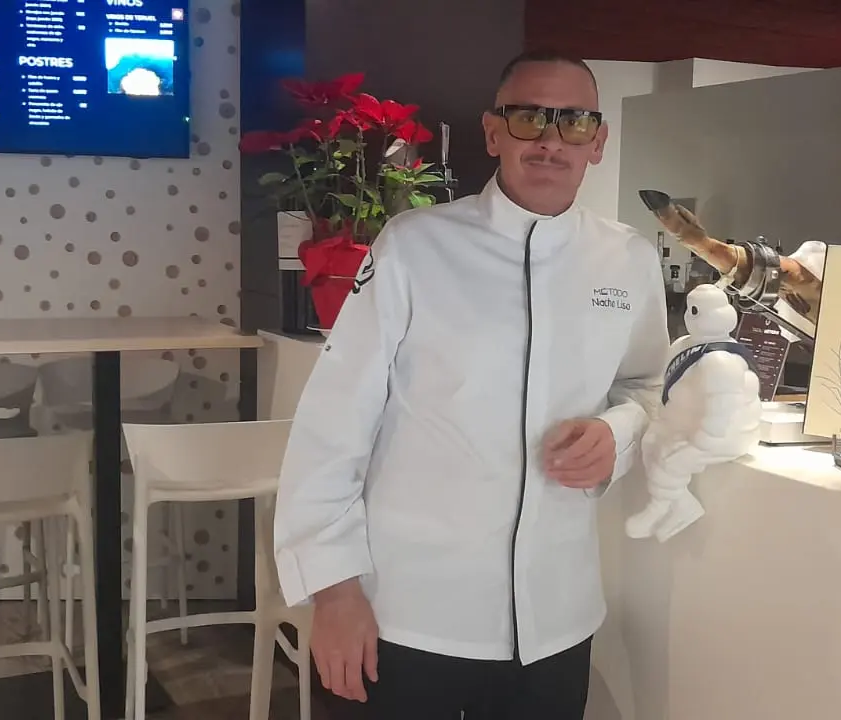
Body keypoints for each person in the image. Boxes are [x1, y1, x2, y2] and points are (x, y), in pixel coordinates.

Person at [273, 50, 671, 718]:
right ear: (493, 132)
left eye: (574, 121)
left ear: (598, 141)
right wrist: (335, 593)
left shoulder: (628, 258)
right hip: (406, 615)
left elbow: (647, 385)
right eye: (528, 117)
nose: (549, 139)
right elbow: (333, 424)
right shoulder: (413, 245)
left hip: (556, 620)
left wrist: (618, 433)